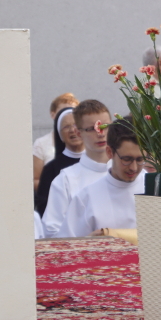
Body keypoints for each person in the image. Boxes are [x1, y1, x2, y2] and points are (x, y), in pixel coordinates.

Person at [42, 119, 148, 320]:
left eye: (140, 159)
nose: (134, 167)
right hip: (102, 297)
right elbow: (68, 252)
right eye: (127, 158)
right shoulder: (87, 196)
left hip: (147, 290)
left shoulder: (154, 189)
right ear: (111, 152)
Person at [42, 100, 113, 237]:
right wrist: (85, 241)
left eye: (105, 126)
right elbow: (51, 233)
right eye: (92, 128)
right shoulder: (65, 180)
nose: (100, 133)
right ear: (78, 133)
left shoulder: (133, 174)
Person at [35, 107, 85, 216]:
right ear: (60, 135)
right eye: (66, 126)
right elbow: (44, 207)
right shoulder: (51, 169)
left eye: (76, 124)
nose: (72, 130)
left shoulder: (97, 162)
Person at [33, 93, 78, 191]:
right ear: (53, 114)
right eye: (63, 111)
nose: (69, 115)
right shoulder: (41, 143)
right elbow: (35, 179)